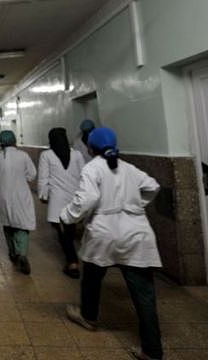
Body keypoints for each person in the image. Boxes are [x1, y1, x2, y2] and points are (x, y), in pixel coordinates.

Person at [60, 128, 163, 360]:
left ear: (90, 148)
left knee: (92, 279)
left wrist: (67, 216)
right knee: (143, 293)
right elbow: (153, 186)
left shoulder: (92, 168)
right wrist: (136, 207)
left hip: (104, 232)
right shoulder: (129, 168)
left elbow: (87, 199)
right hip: (136, 232)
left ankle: (88, 317)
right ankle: (153, 351)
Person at [37, 128, 85, 279]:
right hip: (75, 197)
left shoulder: (46, 155)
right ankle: (72, 259)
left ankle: (72, 262)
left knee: (62, 229)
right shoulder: (77, 154)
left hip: (57, 199)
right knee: (68, 229)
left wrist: (43, 194)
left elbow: (43, 177)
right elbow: (84, 175)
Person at [0, 130, 37, 275]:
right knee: (22, 226)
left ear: (1, 143)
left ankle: (12, 253)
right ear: (14, 140)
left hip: (4, 195)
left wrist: (3, 180)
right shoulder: (23, 155)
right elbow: (32, 174)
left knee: (8, 225)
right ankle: (22, 253)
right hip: (21, 195)